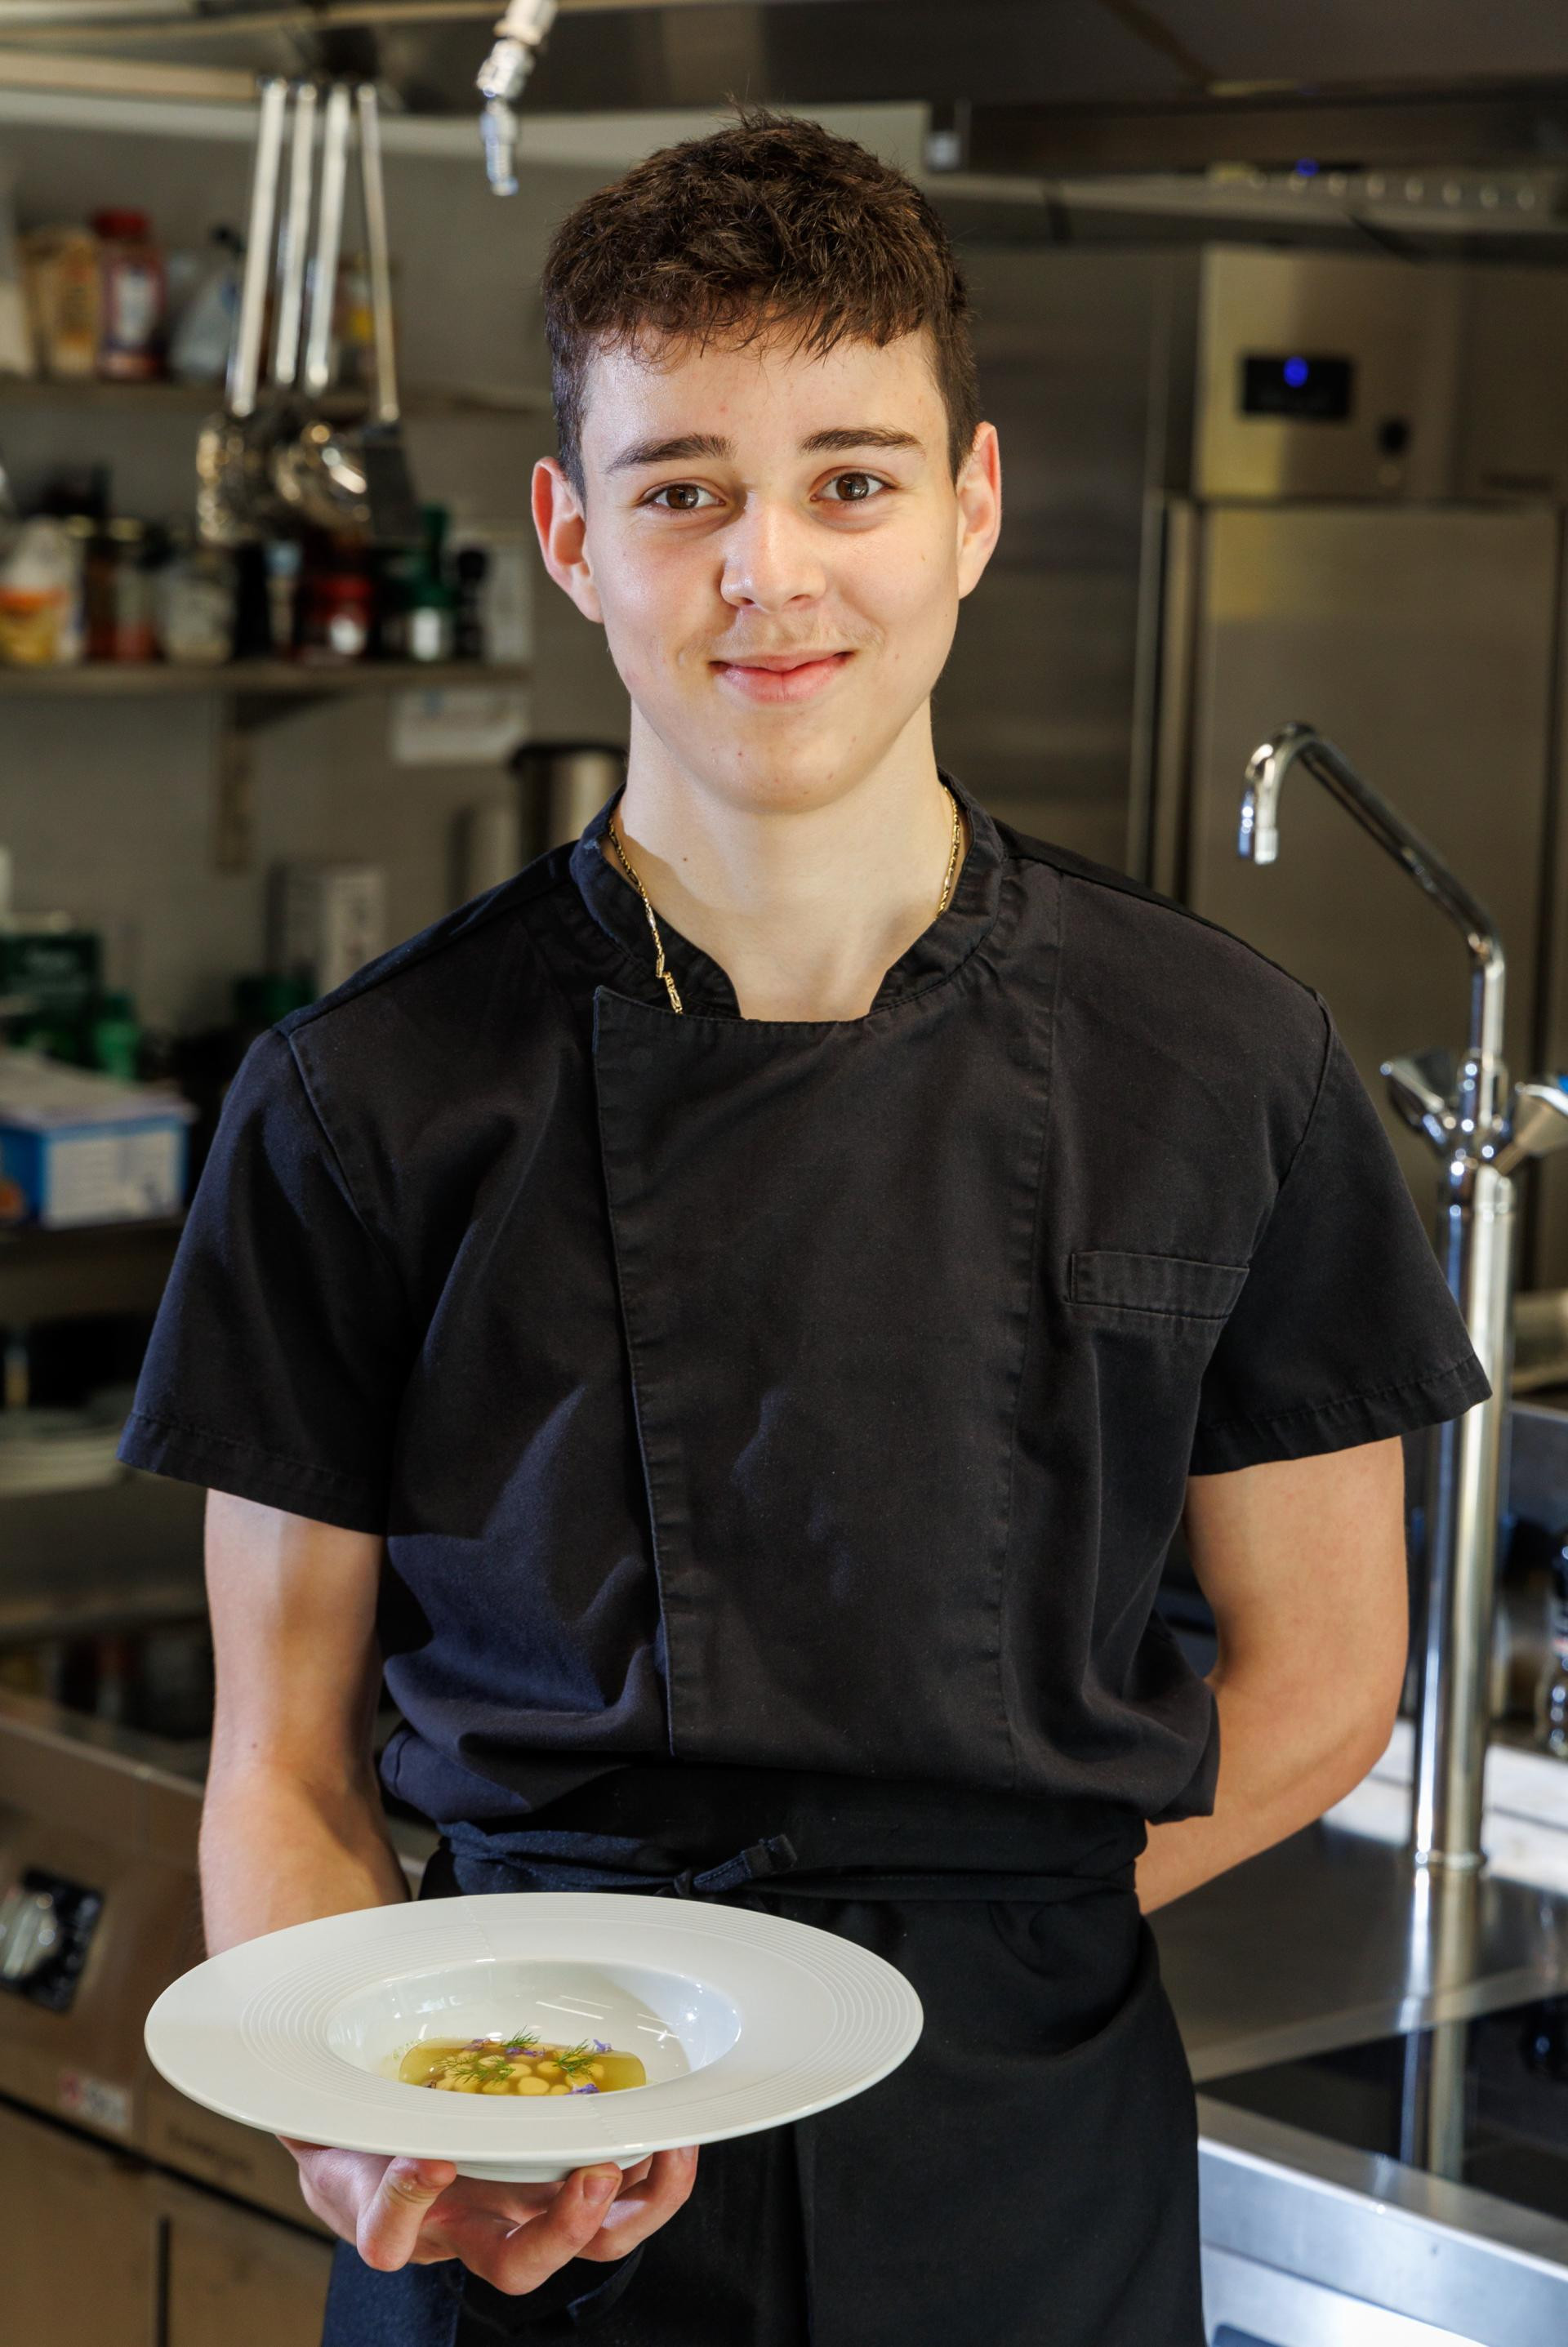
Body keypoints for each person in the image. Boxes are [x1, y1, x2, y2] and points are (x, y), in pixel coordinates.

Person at [118, 109, 1492, 2347]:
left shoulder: (1226, 1060)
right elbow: (280, 1759)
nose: (771, 569)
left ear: (971, 507)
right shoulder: (364, 1096)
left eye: (852, 479)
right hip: (533, 2149)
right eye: (683, 491)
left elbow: (1330, 1680)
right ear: (572, 535)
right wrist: (369, 2116)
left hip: (1023, 2165)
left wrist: (921, 1968)